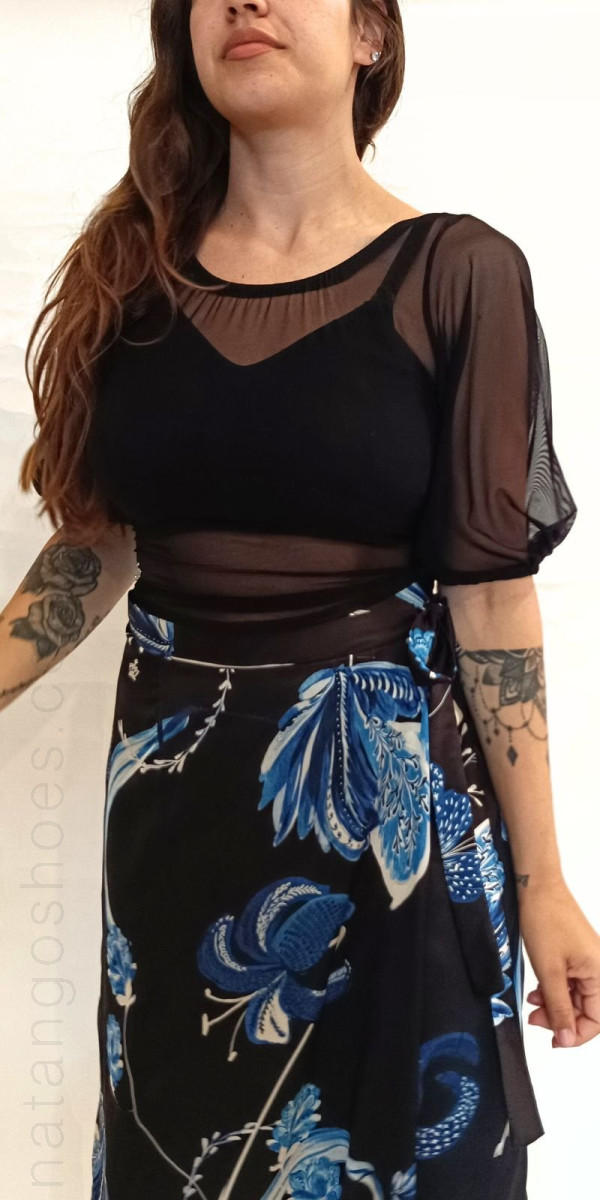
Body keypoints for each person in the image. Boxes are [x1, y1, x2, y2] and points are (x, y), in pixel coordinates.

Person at [3, 0, 597, 1197]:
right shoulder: (132, 275)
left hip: (391, 830)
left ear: (370, 35)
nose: (246, 1)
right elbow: (95, 549)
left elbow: (492, 603)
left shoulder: (459, 272)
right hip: (172, 827)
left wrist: (546, 886)